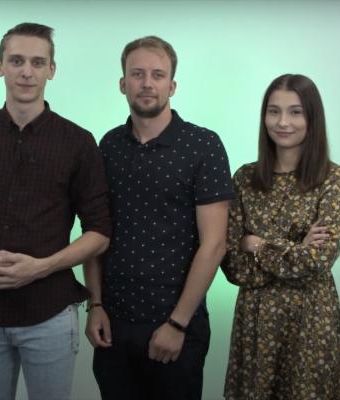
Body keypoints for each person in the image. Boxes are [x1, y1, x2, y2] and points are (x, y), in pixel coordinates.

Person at [0, 22, 111, 400]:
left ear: (52, 70)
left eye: (37, 62)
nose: (27, 72)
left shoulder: (79, 142)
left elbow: (99, 232)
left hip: (50, 313)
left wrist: (41, 267)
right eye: (16, 61)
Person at [84, 36, 235, 400]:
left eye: (157, 75)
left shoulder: (203, 145)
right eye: (137, 74)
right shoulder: (108, 146)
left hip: (176, 323)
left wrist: (177, 324)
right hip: (114, 324)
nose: (147, 83)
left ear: (172, 85)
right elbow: (96, 232)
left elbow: (214, 244)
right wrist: (95, 305)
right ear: (123, 83)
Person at [221, 74, 340, 399]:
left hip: (310, 321)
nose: (282, 122)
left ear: (312, 118)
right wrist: (295, 249)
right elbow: (234, 266)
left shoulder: (334, 179)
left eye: (295, 112)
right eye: (273, 111)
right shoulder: (245, 178)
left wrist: (257, 244)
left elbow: (317, 260)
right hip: (256, 320)